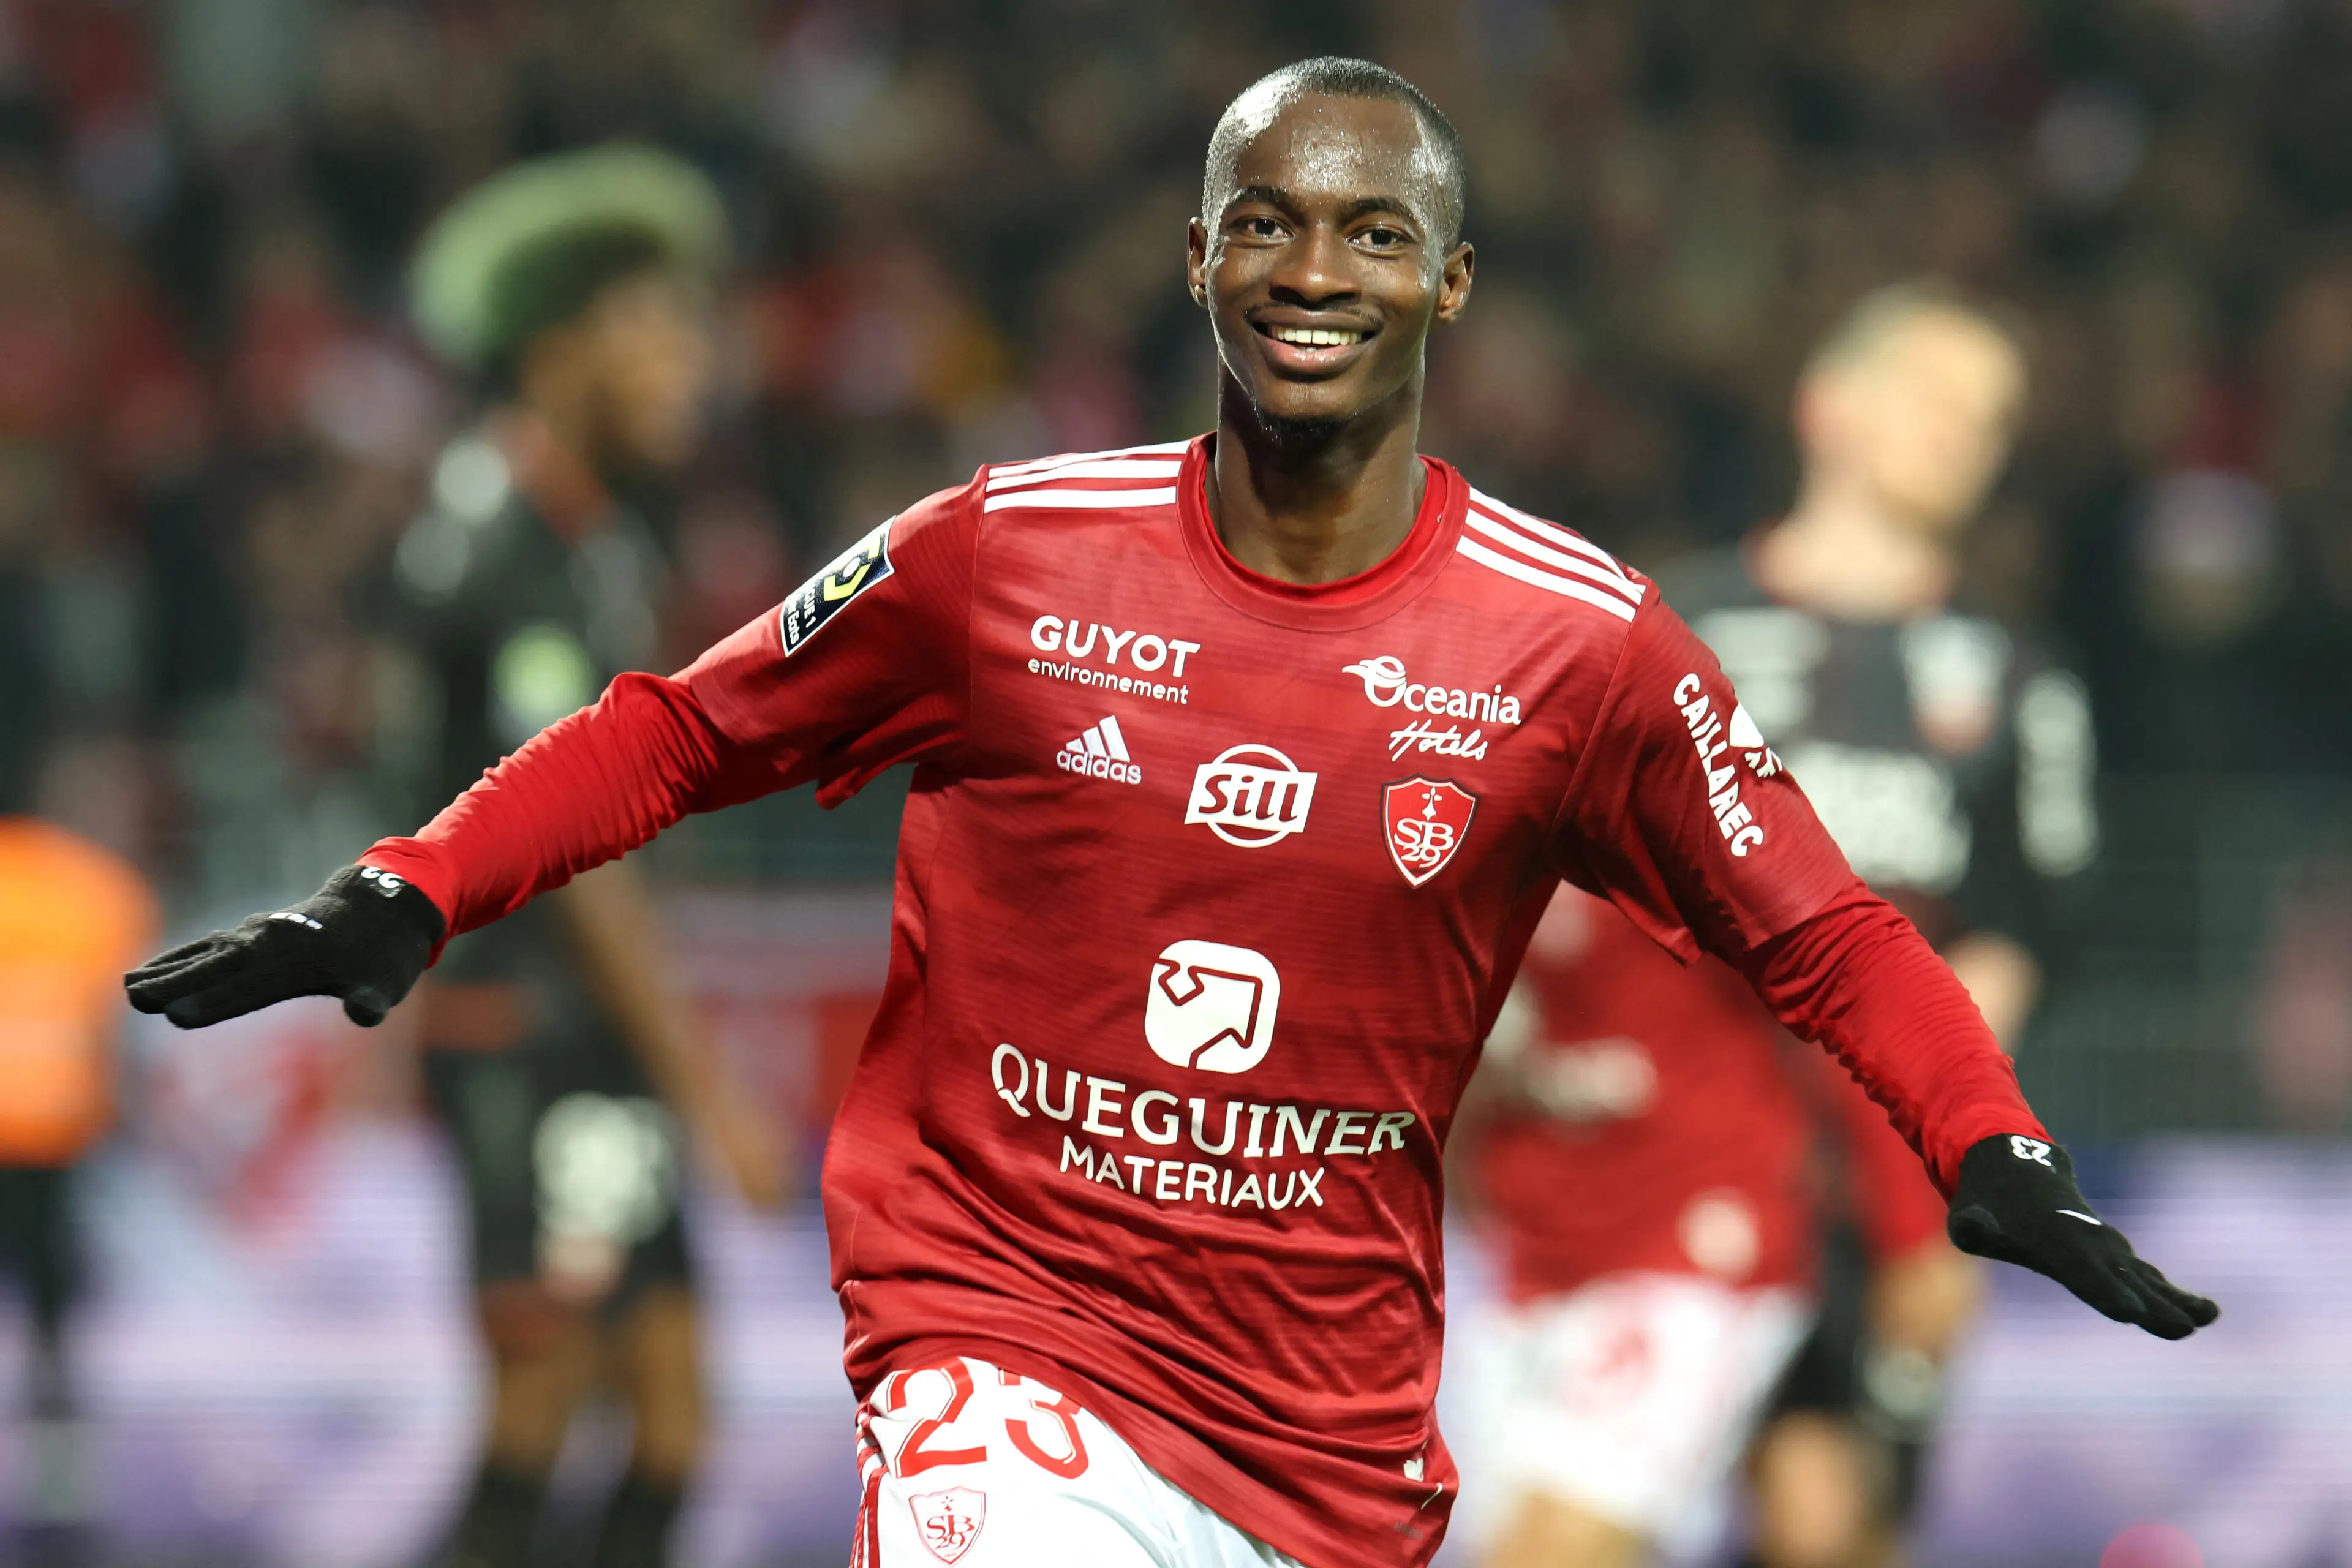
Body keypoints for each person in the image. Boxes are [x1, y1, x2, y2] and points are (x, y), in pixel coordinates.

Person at [127, 62, 2210, 1568]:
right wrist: (415, 886)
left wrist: (1982, 1131)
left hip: (1322, 1427)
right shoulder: (1001, 553)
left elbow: (1826, 933)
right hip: (996, 1334)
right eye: (1271, 223)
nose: (1317, 269)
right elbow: (681, 731)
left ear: (1454, 283)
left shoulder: (1579, 646)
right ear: (1200, 254)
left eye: (1374, 230)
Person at [1448, 281, 2079, 1568]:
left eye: (1992, 415)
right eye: (1934, 393)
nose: (1966, 431)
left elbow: (2016, 940)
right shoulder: (1673, 630)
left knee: (1830, 1525)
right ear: (1827, 405)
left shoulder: (2018, 680)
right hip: (1640, 1165)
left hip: (1867, 1181)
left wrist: (1940, 1166)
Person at [380, 145, 786, 1568]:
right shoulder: (500, 543)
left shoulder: (584, 532)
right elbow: (566, 845)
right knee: (540, 1407)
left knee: (670, 1418)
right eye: (658, 325)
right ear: (558, 347)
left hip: (581, 1051)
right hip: (528, 1042)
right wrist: (707, 1083)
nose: (697, 359)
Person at [0, 799, 157, 1559]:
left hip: (49, 1139)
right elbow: (114, 1031)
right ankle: (59, 1466)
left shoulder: (87, 887)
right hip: (59, 1134)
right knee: (56, 1312)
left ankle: (59, 1464)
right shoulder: (94, 887)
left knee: (57, 1311)